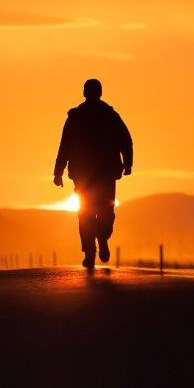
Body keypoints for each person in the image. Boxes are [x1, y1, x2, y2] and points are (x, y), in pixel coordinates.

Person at [53, 78, 133, 269]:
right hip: (90, 175)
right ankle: (90, 251)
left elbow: (125, 139)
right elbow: (65, 145)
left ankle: (101, 239)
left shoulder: (106, 115)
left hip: (100, 174)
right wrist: (58, 172)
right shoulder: (80, 117)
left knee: (98, 214)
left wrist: (128, 163)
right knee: (89, 214)